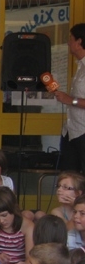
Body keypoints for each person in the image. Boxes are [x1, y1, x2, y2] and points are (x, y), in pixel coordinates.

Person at [56, 23, 85, 174]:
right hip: (70, 130)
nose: (68, 42)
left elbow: (73, 100)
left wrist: (70, 100)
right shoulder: (80, 66)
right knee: (69, 177)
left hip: (83, 131)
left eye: (71, 38)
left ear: (79, 41)